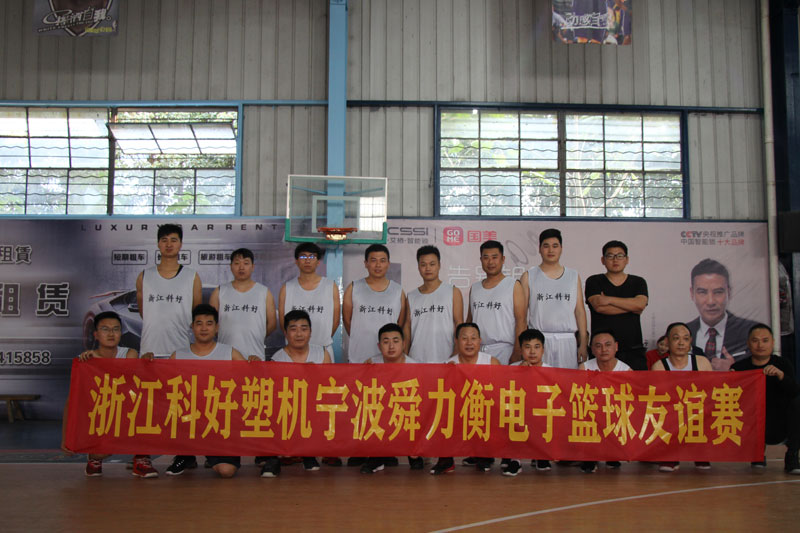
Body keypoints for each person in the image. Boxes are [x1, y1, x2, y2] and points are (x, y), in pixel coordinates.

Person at [61, 311, 158, 478]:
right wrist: (66, 438)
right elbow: (72, 401)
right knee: (101, 452)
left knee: (146, 407)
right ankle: (94, 458)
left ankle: (141, 458)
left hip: (125, 412)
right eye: (105, 329)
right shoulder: (85, 362)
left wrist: (145, 362)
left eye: (116, 329)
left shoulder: (129, 354)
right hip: (101, 415)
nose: (111, 334)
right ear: (96, 334)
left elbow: (127, 378)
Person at [167, 304, 246, 478]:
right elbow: (164, 391)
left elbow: (249, 383)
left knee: (227, 471)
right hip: (189, 420)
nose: (204, 328)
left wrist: (253, 363)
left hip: (219, 423)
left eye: (209, 323)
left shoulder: (230, 354)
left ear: (217, 328)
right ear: (192, 327)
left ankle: (211, 453)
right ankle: (185, 454)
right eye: (199, 323)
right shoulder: (178, 356)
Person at [262, 310, 333, 477]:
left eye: (304, 328)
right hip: (288, 408)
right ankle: (273, 457)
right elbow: (275, 393)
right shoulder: (278, 359)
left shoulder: (322, 353)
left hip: (313, 405)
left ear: (310, 332)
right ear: (286, 333)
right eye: (293, 329)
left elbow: (330, 385)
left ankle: (309, 453)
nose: (299, 334)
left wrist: (315, 375)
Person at [430, 323, 500, 475]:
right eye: (464, 338)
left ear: (480, 341)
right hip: (458, 411)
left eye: (473, 338)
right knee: (442, 413)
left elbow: (498, 394)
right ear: (456, 341)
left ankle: (484, 455)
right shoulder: (449, 364)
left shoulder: (491, 362)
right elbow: (443, 397)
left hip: (483, 409)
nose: (469, 343)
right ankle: (446, 460)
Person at [732, 324, 800, 474]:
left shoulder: (783, 364)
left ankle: (792, 456)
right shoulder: (739, 367)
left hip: (780, 421)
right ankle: (757, 454)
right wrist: (730, 380)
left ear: (773, 342)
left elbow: (795, 391)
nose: (760, 345)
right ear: (748, 343)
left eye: (765, 340)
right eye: (755, 340)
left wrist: (781, 376)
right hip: (752, 422)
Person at [521, 228, 588, 369]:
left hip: (567, 340)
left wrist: (583, 343)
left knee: (567, 380)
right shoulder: (529, 276)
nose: (550, 250)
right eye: (546, 246)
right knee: (538, 381)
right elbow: (522, 315)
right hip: (539, 342)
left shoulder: (573, 276)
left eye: (555, 246)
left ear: (561, 248)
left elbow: (580, 311)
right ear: (539, 249)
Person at [651, 322, 713, 472]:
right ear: (667, 341)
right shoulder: (659, 366)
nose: (681, 343)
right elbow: (659, 398)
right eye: (676, 338)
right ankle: (670, 455)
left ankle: (700, 453)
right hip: (672, 413)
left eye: (685, 339)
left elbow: (711, 392)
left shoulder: (702, 362)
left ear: (690, 341)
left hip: (696, 411)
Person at [362, 323, 423, 474]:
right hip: (382, 412)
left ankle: (413, 452)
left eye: (395, 341)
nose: (391, 346)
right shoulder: (371, 364)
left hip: (405, 412)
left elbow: (422, 400)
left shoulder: (415, 367)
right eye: (386, 342)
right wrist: (364, 372)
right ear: (379, 346)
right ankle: (377, 456)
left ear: (403, 344)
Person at [136, 224, 202, 358]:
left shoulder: (192, 276)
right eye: (164, 240)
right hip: (149, 351)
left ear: (180, 244)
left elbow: (196, 313)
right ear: (158, 244)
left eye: (174, 240)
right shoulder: (144, 276)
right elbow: (144, 313)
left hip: (180, 350)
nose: (169, 244)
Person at [584, 240, 649, 370]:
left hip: (633, 349)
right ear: (603, 260)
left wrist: (608, 299)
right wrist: (630, 306)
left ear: (627, 259)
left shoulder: (638, 282)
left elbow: (640, 305)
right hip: (602, 350)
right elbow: (599, 306)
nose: (615, 260)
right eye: (610, 256)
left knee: (635, 383)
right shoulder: (594, 281)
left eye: (620, 256)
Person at [686, 258, 759, 371]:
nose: (711, 302)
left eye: (718, 292)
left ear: (729, 292)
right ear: (692, 293)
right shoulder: (683, 332)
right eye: (702, 292)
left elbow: (763, 370)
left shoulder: (750, 332)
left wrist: (734, 369)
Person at [343, 244, 407, 364]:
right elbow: (347, 321)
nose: (378, 265)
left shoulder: (398, 291)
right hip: (359, 357)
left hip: (388, 359)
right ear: (366, 263)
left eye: (382, 261)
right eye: (373, 260)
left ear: (388, 263)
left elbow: (400, 324)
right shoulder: (353, 288)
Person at [578, 330, 631, 473]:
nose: (604, 349)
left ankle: (612, 453)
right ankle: (589, 457)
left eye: (608, 345)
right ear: (592, 349)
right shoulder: (584, 368)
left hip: (615, 411)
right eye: (598, 346)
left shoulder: (626, 370)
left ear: (616, 347)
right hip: (592, 410)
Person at [466, 240, 526, 365]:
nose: (490, 262)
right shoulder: (475, 288)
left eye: (494, 257)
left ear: (503, 259)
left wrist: (517, 351)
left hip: (505, 351)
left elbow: (521, 321)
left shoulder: (513, 285)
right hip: (478, 352)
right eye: (486, 258)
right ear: (481, 260)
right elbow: (469, 322)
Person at [210, 247, 276, 361]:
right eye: (237, 263)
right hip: (225, 357)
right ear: (231, 266)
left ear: (253, 267)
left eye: (246, 263)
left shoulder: (264, 292)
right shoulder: (219, 291)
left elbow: (272, 324)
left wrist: (257, 335)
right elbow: (211, 323)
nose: (241, 267)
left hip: (255, 356)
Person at [503, 328, 552, 476]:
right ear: (521, 349)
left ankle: (541, 455)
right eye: (527, 347)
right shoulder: (512, 368)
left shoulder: (551, 371)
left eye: (536, 347)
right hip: (519, 411)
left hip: (542, 412)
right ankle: (515, 460)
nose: (532, 352)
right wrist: (520, 373)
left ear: (543, 349)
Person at [404, 245, 463, 363]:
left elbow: (459, 324)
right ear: (418, 267)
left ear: (439, 265)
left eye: (432, 264)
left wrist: (456, 353)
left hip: (446, 358)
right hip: (416, 359)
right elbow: (407, 327)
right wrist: (404, 356)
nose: (428, 268)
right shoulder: (411, 296)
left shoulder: (452, 291)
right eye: (423, 264)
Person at [279, 243, 340, 352]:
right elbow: (283, 321)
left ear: (318, 262)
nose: (307, 260)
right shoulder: (287, 288)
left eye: (312, 256)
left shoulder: (330, 286)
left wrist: (322, 340)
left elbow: (335, 320)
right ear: (296, 261)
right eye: (303, 256)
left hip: (323, 348)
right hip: (295, 350)